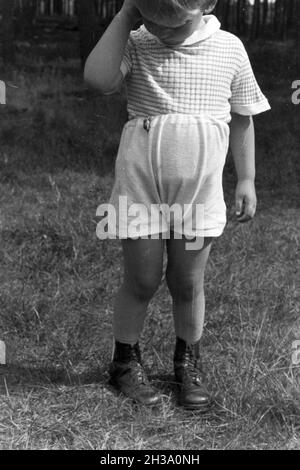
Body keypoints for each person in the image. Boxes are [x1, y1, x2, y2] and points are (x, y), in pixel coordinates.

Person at [84, 0, 271, 409]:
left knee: (187, 282)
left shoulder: (228, 48)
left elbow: (242, 117)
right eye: (151, 19)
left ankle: (188, 363)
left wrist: (247, 179)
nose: (161, 30)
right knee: (142, 279)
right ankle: (124, 363)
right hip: (140, 188)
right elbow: (98, 80)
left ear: (206, 5)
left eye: (173, 22)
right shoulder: (136, 42)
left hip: (197, 194)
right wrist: (126, 16)